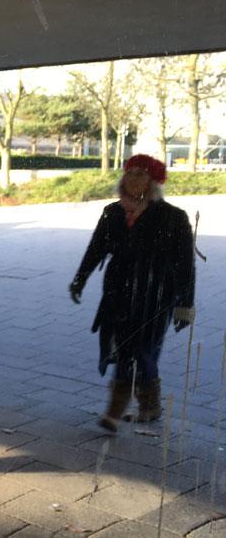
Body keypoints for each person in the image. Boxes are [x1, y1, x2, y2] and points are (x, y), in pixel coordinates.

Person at [69, 154, 195, 432]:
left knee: (138, 351)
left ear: (153, 181)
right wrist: (80, 279)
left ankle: (115, 412)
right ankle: (149, 406)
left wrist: (185, 304)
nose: (133, 178)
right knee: (129, 349)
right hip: (117, 293)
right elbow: (95, 249)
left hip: (155, 297)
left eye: (141, 174)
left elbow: (185, 264)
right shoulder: (112, 212)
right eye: (130, 172)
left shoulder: (173, 217)